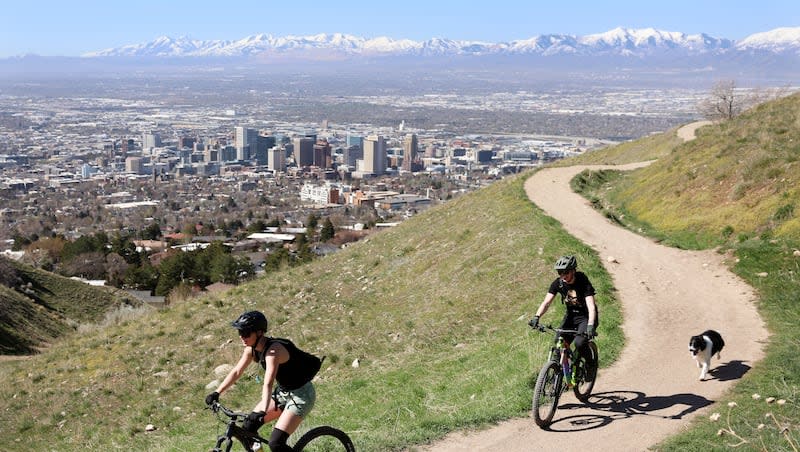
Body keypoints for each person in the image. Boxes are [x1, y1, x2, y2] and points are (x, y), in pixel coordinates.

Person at [205, 310, 322, 452]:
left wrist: (262, 411)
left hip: (301, 395)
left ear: (259, 332)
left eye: (246, 333)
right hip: (283, 393)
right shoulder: (251, 350)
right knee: (248, 428)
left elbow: (268, 383)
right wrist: (217, 392)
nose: (242, 337)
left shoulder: (274, 351)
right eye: (240, 333)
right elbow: (236, 372)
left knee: (276, 443)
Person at [529, 255, 598, 384]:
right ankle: (557, 375)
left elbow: (591, 306)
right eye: (560, 273)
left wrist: (590, 325)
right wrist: (536, 316)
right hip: (571, 317)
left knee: (579, 343)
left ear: (573, 270)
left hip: (586, 317)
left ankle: (590, 365)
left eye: (565, 272)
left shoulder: (582, 281)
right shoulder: (558, 283)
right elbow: (546, 303)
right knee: (559, 343)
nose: (563, 276)